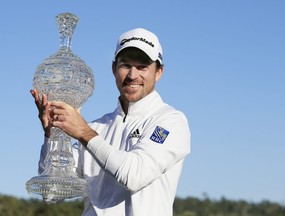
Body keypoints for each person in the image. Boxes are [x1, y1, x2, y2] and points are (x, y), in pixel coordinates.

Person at [31, 28, 191, 216]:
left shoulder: (170, 121)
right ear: (114, 69)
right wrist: (52, 135)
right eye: (125, 65)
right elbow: (51, 194)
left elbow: (134, 175)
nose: (132, 75)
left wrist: (83, 133)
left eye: (142, 67)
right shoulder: (96, 127)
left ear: (159, 72)